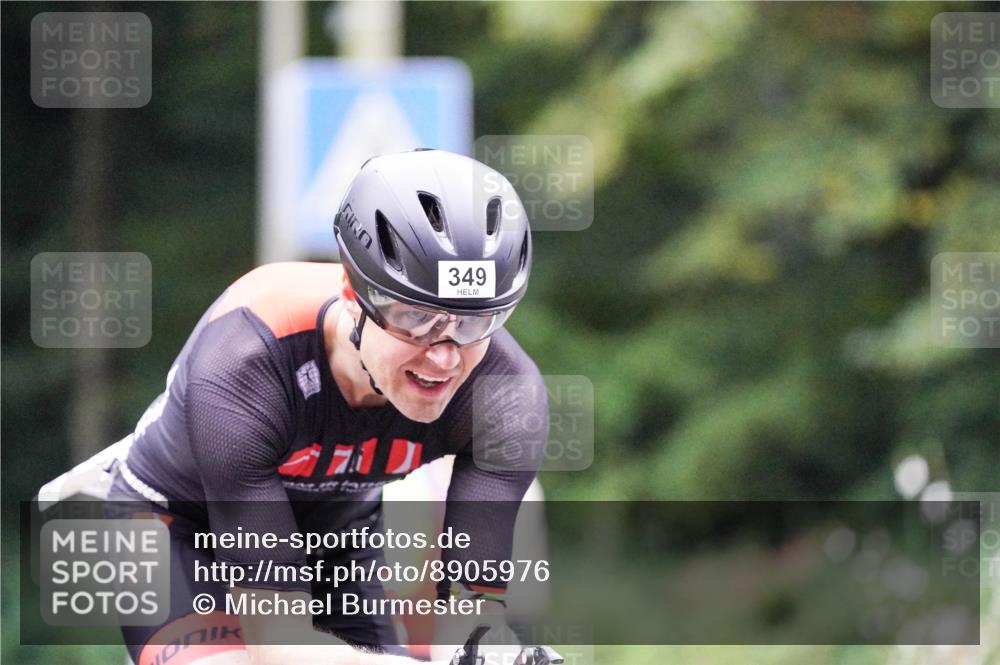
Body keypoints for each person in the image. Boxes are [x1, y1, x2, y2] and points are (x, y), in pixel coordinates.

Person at [107, 149, 548, 665]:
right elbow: (279, 644)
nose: (444, 355)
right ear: (352, 294)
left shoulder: (505, 396)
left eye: (476, 322)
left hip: (335, 532)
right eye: (417, 318)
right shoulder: (246, 360)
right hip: (173, 524)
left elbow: (473, 614)